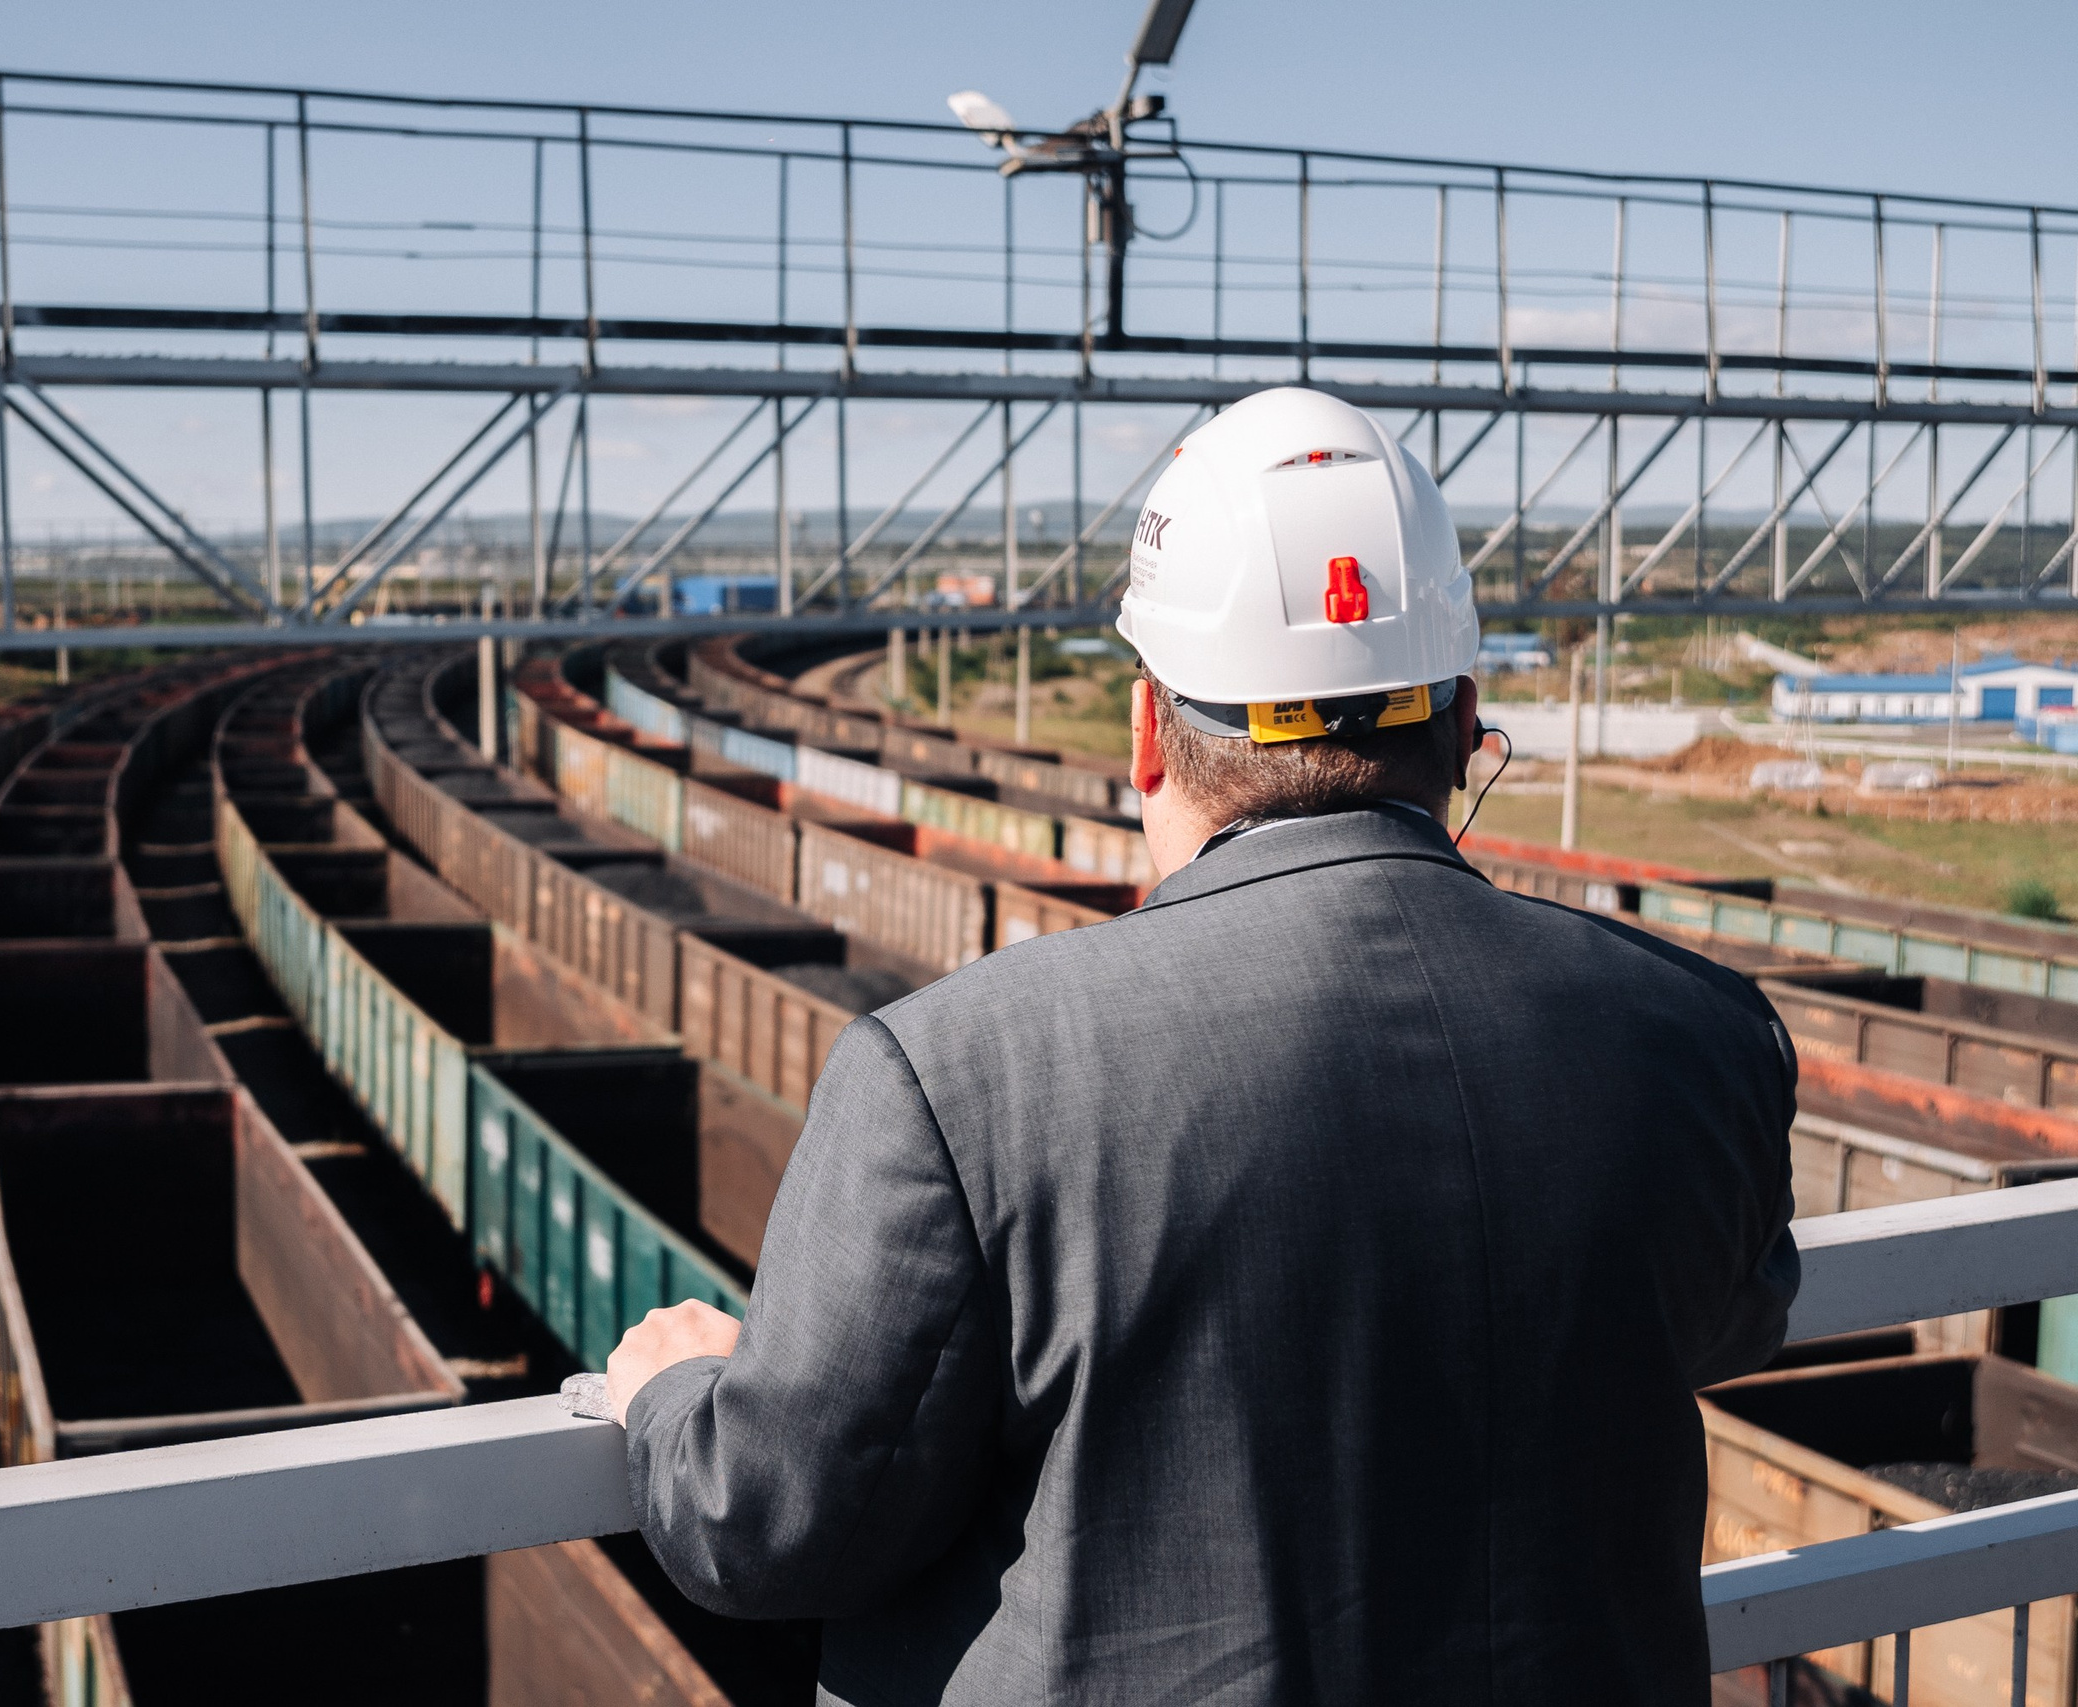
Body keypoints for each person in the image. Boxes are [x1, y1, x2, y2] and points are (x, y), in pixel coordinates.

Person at [606, 387, 1799, 1705]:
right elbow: (1726, 1316)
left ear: (1144, 735)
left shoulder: (953, 1075)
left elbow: (763, 1521)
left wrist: (676, 1396)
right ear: (1464, 721)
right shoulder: (1702, 1034)